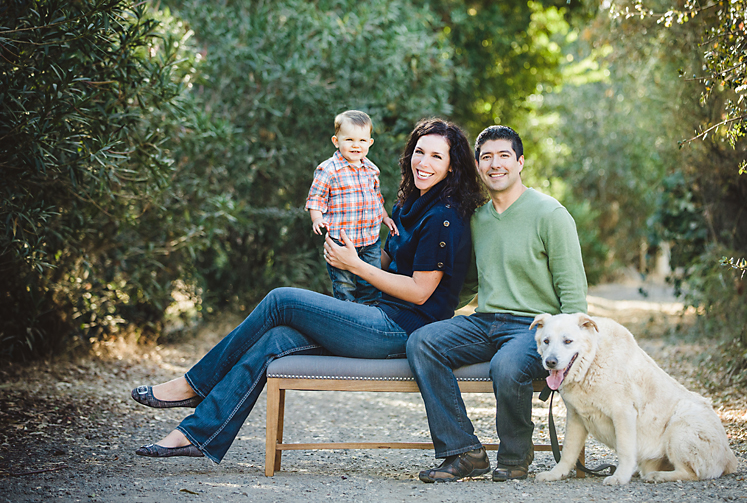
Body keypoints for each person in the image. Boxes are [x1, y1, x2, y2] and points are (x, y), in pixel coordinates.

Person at [130, 118, 486, 463]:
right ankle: (195, 435)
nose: (423, 162)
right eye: (419, 152)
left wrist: (355, 265)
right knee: (276, 340)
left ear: (452, 167)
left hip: (401, 329)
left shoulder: (444, 216)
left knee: (281, 300)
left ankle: (194, 385)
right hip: (377, 314)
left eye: (437, 157)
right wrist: (350, 246)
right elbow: (388, 263)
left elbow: (420, 292)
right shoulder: (409, 203)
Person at [407, 125, 588, 483]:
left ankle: (515, 457)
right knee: (422, 341)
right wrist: (425, 306)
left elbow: (573, 295)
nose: (495, 164)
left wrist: (568, 350)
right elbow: (469, 281)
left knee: (507, 366)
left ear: (520, 162)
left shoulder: (550, 214)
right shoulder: (476, 218)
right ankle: (464, 452)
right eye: (486, 157)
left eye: (504, 155)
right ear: (477, 165)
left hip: (535, 329)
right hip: (484, 320)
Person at [306, 110, 397, 304]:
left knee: (371, 285)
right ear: (336, 141)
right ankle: (345, 318)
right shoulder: (328, 170)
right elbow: (316, 198)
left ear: (370, 143)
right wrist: (317, 218)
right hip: (341, 242)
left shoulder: (372, 170)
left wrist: (385, 218)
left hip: (370, 241)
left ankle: (366, 318)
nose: (356, 145)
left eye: (362, 141)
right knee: (344, 286)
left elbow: (376, 199)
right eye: (349, 140)